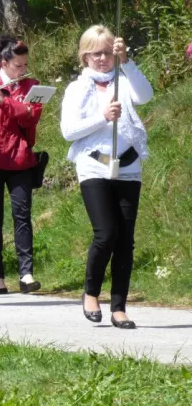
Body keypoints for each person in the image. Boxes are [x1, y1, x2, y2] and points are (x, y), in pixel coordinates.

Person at [60, 25, 153, 329]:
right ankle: (90, 293)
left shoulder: (124, 80)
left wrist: (127, 61)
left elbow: (145, 96)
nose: (102, 58)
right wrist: (103, 116)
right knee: (106, 233)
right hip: (93, 166)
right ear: (84, 56)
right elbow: (69, 131)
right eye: (95, 53)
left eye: (107, 52)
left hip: (128, 167)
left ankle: (119, 306)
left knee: (126, 239)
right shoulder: (77, 88)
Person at [0, 37, 43, 294]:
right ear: (3, 63)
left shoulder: (33, 86)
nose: (22, 70)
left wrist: (6, 102)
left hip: (20, 159)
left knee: (22, 216)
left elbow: (32, 116)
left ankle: (26, 274)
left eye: (25, 64)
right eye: (17, 65)